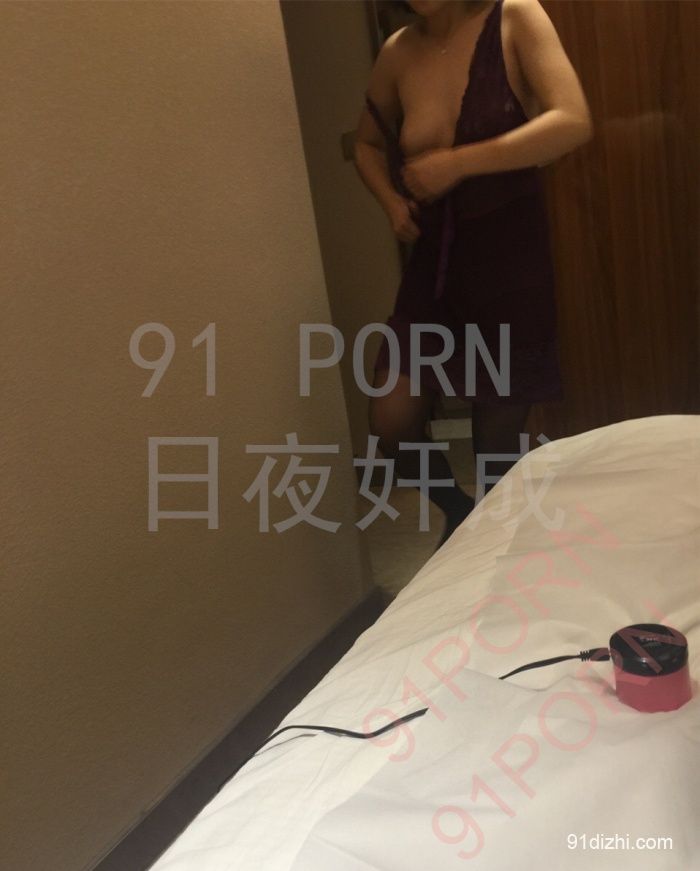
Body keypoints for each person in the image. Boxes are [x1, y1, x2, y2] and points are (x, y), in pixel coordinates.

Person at [353, 0, 592, 549]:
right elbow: (364, 143)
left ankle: (491, 552)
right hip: (434, 263)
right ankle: (460, 515)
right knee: (391, 419)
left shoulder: (514, 15)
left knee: (496, 439)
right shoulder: (398, 52)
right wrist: (391, 203)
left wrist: (458, 162)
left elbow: (573, 120)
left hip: (510, 256)